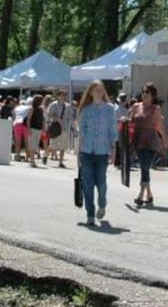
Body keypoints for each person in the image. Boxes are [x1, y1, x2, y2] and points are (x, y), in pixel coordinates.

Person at [77, 80, 118, 227]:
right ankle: (90, 215)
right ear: (90, 92)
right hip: (87, 152)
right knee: (87, 184)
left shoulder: (110, 109)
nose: (99, 93)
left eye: (101, 90)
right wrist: (78, 153)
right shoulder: (86, 110)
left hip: (102, 152)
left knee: (101, 183)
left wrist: (113, 150)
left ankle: (102, 203)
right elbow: (82, 132)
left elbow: (113, 131)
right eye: (96, 90)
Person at [130, 83, 167, 206]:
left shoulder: (156, 109)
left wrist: (166, 139)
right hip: (138, 140)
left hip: (150, 141)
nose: (144, 94)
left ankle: (140, 195)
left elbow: (159, 126)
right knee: (144, 166)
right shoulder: (136, 106)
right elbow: (130, 121)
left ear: (152, 95)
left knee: (144, 166)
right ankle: (149, 194)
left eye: (147, 92)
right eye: (143, 92)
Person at [46, 91, 70, 167]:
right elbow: (48, 114)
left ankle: (60, 162)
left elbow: (70, 117)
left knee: (63, 145)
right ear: (58, 96)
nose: (64, 96)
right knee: (53, 145)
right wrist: (57, 118)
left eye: (65, 95)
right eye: (63, 95)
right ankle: (45, 155)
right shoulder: (53, 104)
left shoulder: (67, 106)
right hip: (55, 127)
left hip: (64, 128)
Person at [25, 94, 45, 167]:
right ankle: (32, 161)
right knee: (32, 146)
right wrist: (29, 129)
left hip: (39, 129)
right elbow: (28, 120)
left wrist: (43, 128)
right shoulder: (31, 108)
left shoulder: (41, 109)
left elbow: (42, 119)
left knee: (35, 145)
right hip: (33, 128)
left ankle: (32, 161)